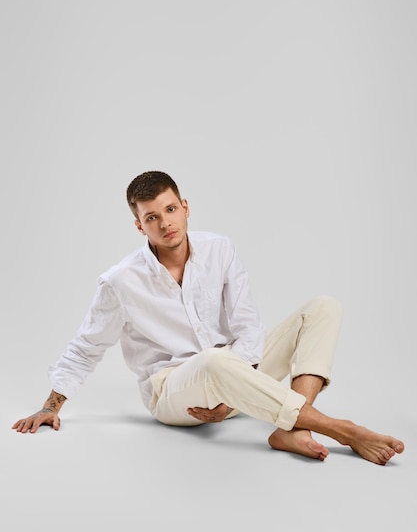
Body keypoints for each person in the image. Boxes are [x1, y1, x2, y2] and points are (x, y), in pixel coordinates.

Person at [12, 171, 405, 465]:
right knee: (214, 361)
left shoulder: (220, 249)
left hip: (234, 369)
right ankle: (342, 429)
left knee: (323, 307)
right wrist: (51, 406)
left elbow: (247, 322)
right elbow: (87, 347)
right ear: (138, 225)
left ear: (185, 207)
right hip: (174, 394)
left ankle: (294, 430)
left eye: (169, 210)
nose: (165, 223)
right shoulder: (120, 282)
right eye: (151, 218)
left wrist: (238, 380)